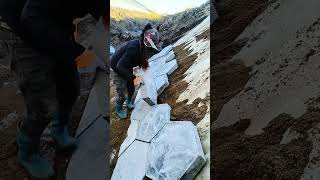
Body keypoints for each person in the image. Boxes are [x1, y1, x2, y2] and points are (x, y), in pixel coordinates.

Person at [0, 0, 108, 178]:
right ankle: (27, 151)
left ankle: (59, 129)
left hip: (51, 19)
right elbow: (32, 20)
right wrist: (79, 54)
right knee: (42, 105)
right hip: (23, 25)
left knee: (70, 87)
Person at [110, 23, 160, 119]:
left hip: (127, 65)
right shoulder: (133, 48)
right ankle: (119, 108)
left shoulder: (144, 48)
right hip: (117, 67)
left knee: (132, 88)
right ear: (146, 41)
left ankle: (129, 101)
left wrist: (142, 78)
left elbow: (142, 64)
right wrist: (134, 78)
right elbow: (120, 66)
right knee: (122, 93)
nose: (151, 49)